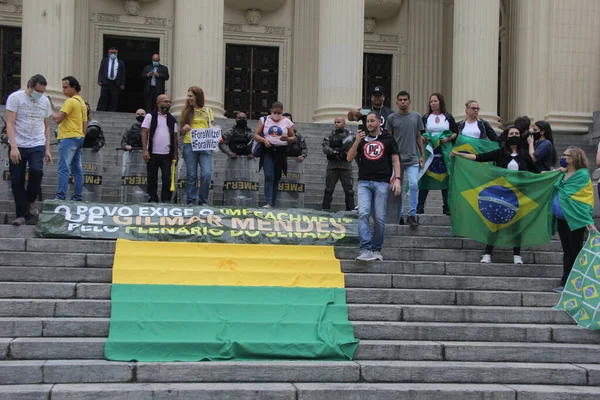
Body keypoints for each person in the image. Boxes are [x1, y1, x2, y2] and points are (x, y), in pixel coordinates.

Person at [453, 125, 540, 264]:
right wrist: (459, 154)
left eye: (517, 133)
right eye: (511, 133)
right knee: (494, 223)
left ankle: (517, 255)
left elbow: (537, 174)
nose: (514, 135)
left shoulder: (524, 156)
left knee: (516, 225)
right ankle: (487, 253)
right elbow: (478, 157)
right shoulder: (499, 153)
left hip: (518, 195)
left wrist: (556, 172)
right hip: (499, 194)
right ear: (506, 136)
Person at [347, 111, 401, 261]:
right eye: (367, 121)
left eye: (372, 121)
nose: (369, 124)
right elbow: (349, 158)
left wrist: (397, 179)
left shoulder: (388, 139)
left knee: (380, 218)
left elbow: (396, 161)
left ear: (379, 122)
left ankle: (376, 249)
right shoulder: (362, 139)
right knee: (363, 213)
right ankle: (365, 249)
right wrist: (357, 141)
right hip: (364, 182)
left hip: (382, 183)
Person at [5, 74, 52, 226]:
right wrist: (13, 146)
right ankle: (21, 215)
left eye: (43, 91)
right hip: (18, 144)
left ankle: (31, 201)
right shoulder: (15, 98)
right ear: (30, 86)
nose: (40, 94)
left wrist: (47, 149)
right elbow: (10, 124)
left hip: (37, 143)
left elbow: (47, 126)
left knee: (37, 171)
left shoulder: (44, 101)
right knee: (17, 179)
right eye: (38, 90)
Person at [553, 146, 596, 292]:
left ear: (573, 158)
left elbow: (584, 198)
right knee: (567, 250)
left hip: (576, 218)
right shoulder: (563, 173)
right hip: (562, 218)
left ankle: (576, 281)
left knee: (575, 249)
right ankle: (565, 281)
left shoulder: (582, 175)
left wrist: (587, 220)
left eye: (565, 155)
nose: (563, 157)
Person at [385, 90, 425, 227]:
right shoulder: (392, 118)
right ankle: (399, 214)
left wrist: (422, 156)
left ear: (409, 101)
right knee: (398, 187)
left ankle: (412, 215)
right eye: (400, 100)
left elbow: (419, 137)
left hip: (412, 157)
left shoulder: (416, 117)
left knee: (413, 184)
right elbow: (389, 139)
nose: (403, 102)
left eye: (405, 99)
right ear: (397, 102)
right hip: (397, 159)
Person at [418, 92, 458, 216]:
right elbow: (420, 133)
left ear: (440, 102)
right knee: (425, 177)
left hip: (444, 150)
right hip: (430, 150)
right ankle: (420, 206)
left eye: (435, 101)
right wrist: (424, 138)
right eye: (431, 101)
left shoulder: (448, 117)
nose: (433, 103)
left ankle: (447, 206)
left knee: (445, 178)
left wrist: (448, 139)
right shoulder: (425, 117)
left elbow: (455, 132)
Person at [50, 76, 87, 201]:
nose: (63, 90)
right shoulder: (82, 102)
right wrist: (82, 137)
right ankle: (77, 196)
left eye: (65, 87)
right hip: (78, 137)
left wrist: (50, 108)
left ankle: (60, 195)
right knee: (77, 169)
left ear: (74, 87)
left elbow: (57, 119)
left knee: (64, 168)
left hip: (68, 137)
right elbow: (85, 123)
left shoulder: (70, 101)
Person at [253, 101, 296, 208]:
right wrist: (264, 140)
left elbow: (293, 137)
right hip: (268, 150)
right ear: (271, 111)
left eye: (279, 113)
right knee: (268, 176)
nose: (277, 115)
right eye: (275, 112)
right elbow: (256, 135)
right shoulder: (264, 120)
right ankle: (268, 201)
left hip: (281, 151)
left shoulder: (287, 122)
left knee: (276, 177)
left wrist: (287, 138)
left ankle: (273, 202)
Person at [180, 86, 214, 205]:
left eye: (190, 96)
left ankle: (203, 201)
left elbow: (212, 127)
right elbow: (181, 132)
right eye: (188, 95)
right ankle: (191, 201)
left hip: (205, 145)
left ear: (197, 97)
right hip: (189, 144)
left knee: (206, 174)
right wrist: (184, 129)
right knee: (191, 175)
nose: (188, 98)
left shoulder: (208, 111)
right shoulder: (185, 111)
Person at [141, 94, 178, 203]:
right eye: (165, 101)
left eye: (169, 102)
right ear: (158, 103)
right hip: (152, 152)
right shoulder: (150, 116)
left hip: (167, 154)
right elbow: (144, 133)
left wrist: (175, 153)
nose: (168, 104)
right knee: (152, 177)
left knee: (167, 177)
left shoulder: (172, 119)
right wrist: (144, 150)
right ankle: (153, 198)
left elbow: (175, 137)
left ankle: (166, 198)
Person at [322, 117, 355, 211]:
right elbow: (325, 148)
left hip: (346, 166)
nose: (336, 124)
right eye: (335, 122)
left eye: (339, 122)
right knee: (328, 189)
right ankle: (325, 209)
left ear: (344, 123)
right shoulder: (330, 135)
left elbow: (354, 147)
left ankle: (350, 210)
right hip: (332, 166)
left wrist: (345, 152)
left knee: (349, 190)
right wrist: (335, 152)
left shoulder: (350, 135)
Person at [96, 47, 125, 111]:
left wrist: (122, 84)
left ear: (117, 53)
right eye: (111, 53)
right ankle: (100, 109)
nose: (113, 54)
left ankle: (112, 110)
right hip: (106, 82)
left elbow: (123, 74)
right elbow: (101, 71)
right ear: (109, 53)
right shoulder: (104, 61)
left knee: (114, 97)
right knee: (103, 96)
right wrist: (99, 80)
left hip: (115, 83)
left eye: (114, 53)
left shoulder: (121, 63)